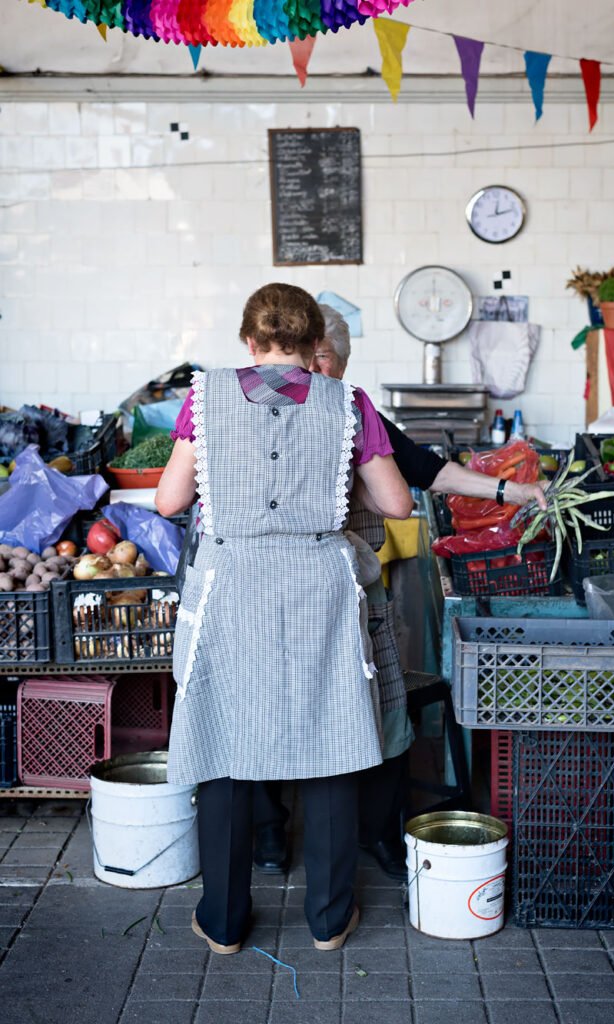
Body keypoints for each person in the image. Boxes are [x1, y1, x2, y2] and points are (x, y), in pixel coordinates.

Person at [156, 283, 413, 954]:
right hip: (318, 585)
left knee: (225, 741)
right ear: (313, 345)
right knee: (330, 736)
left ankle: (223, 922)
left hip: (232, 582)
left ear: (250, 341)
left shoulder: (203, 399)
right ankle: (329, 921)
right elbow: (396, 502)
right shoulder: (348, 402)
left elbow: (168, 499)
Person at [252, 304, 547, 880]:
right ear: (308, 353)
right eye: (323, 360)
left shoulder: (355, 412)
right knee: (271, 707)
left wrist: (511, 490)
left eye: (334, 364)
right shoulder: (258, 415)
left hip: (350, 599)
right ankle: (269, 833)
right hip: (273, 597)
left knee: (382, 708)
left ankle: (378, 834)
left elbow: (428, 470)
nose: (325, 372)